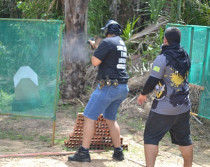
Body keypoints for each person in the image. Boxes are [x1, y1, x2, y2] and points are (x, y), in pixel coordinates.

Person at [68, 20, 129, 162]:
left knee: (89, 116)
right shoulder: (121, 43)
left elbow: (95, 62)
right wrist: (98, 47)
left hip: (109, 86)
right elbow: (110, 58)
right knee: (110, 119)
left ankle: (84, 152)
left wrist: (96, 48)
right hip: (121, 88)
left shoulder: (107, 43)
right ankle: (118, 152)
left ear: (107, 31)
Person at [137, 27, 193, 167]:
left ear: (165, 40)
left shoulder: (163, 58)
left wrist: (143, 94)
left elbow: (153, 80)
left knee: (151, 137)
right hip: (183, 107)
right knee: (185, 140)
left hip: (163, 109)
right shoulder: (185, 55)